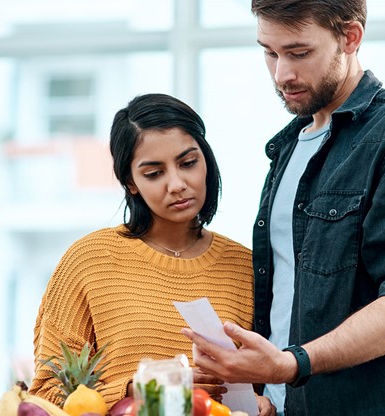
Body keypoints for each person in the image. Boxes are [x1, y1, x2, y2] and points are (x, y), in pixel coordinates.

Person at [182, 1, 385, 415]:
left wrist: (292, 364)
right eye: (270, 52)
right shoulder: (288, 148)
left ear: (350, 37)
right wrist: (271, 394)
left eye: (299, 53)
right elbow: (293, 302)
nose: (282, 73)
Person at [29, 93, 276, 416]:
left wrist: (265, 405)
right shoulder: (89, 260)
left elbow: (269, 378)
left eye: (188, 163)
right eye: (154, 173)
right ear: (130, 181)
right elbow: (46, 393)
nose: (176, 184)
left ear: (207, 160)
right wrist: (139, 390)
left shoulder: (247, 267)